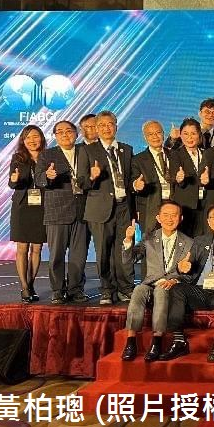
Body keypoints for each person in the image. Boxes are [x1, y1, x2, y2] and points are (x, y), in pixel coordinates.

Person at [159, 203, 214, 362]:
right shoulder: (200, 240)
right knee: (177, 289)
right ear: (208, 222)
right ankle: (179, 341)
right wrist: (182, 268)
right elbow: (188, 264)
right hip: (200, 290)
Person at [120, 200, 194, 362]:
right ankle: (131, 341)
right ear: (158, 218)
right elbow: (129, 260)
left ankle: (157, 341)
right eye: (165, 215)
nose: (169, 219)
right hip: (149, 283)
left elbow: (190, 274)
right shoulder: (149, 238)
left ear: (180, 218)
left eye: (174, 215)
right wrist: (128, 240)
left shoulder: (189, 242)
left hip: (170, 285)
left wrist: (175, 280)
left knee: (161, 290)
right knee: (138, 290)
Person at [83, 110, 135, 305]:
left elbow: (130, 179)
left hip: (124, 207)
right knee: (103, 251)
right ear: (96, 129)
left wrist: (135, 187)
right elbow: (80, 182)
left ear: (116, 126)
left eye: (110, 124)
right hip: (100, 208)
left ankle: (125, 288)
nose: (106, 128)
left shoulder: (126, 149)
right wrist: (92, 176)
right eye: (102, 125)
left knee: (124, 249)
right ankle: (107, 290)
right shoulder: (87, 151)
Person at [35, 120, 90, 304]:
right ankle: (57, 290)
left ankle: (76, 289)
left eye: (69, 131)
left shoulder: (85, 151)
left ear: (76, 133)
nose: (65, 134)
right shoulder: (47, 154)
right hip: (57, 212)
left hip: (82, 210)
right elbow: (38, 178)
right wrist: (47, 176)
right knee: (56, 255)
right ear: (55, 136)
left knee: (79, 255)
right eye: (60, 132)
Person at [8, 124, 47, 303]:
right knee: (22, 248)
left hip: (42, 207)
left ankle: (31, 285)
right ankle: (24, 287)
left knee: (37, 248)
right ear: (23, 141)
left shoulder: (48, 156)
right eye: (28, 137)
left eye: (35, 136)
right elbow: (12, 183)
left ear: (42, 138)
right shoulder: (18, 158)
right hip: (23, 206)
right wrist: (14, 180)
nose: (32, 140)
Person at [131, 120, 173, 235]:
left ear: (163, 134)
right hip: (151, 208)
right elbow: (133, 181)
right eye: (150, 134)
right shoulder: (137, 160)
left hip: (174, 206)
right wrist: (136, 185)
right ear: (145, 137)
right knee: (151, 243)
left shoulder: (175, 154)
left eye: (158, 133)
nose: (155, 136)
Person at [169, 118, 207, 237]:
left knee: (203, 240)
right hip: (185, 205)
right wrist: (179, 179)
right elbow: (173, 177)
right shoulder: (175, 154)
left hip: (205, 205)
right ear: (180, 135)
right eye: (185, 134)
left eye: (193, 133)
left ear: (199, 135)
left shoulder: (207, 154)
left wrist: (208, 181)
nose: (189, 137)